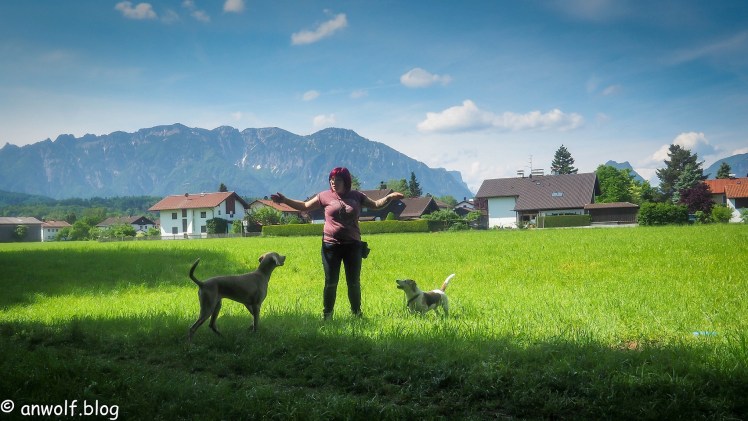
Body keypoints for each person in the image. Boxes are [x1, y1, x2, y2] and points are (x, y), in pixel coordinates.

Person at [271, 167, 404, 319]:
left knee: (353, 282)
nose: (333, 183)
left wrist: (390, 197)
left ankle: (356, 314)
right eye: (332, 180)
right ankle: (327, 315)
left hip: (353, 246)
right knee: (331, 282)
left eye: (338, 180)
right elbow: (305, 206)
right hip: (331, 246)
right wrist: (285, 200)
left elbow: (376, 205)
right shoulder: (324, 196)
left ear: (346, 181)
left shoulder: (357, 196)